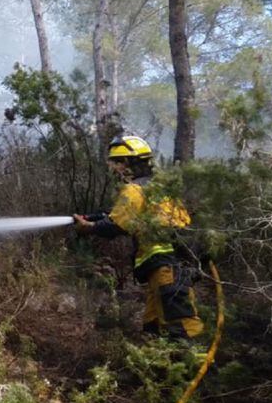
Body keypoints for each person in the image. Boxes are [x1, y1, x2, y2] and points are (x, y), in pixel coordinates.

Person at [74, 135, 203, 339]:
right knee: (153, 328)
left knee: (180, 327)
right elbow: (121, 215)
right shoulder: (157, 188)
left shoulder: (134, 189)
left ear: (126, 163)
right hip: (174, 263)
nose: (114, 169)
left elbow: (117, 224)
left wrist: (88, 227)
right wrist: (94, 218)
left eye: (116, 163)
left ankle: (192, 368)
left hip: (166, 267)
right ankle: (159, 369)